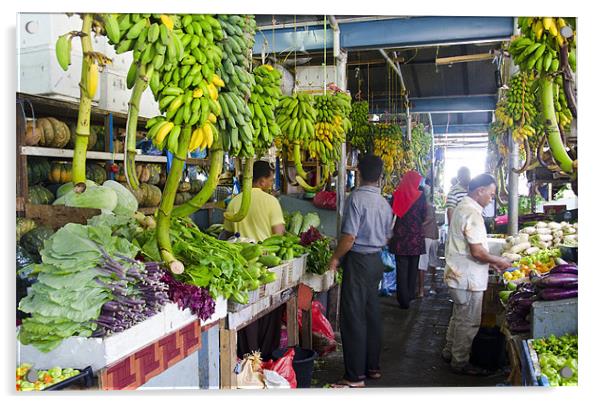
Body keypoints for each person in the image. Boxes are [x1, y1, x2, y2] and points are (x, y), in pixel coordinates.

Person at [328, 155, 394, 388]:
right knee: (371, 313)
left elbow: (349, 237)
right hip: (375, 260)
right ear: (380, 175)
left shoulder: (356, 198)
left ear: (358, 172)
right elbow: (388, 236)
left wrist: (335, 258)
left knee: (354, 316)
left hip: (358, 260)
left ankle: (354, 376)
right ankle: (372, 367)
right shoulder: (385, 203)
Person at [442, 173, 512, 376]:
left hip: (459, 274)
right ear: (480, 191)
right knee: (468, 321)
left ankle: (450, 351)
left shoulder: (463, 208)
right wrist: (500, 261)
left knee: (458, 316)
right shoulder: (471, 213)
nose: (491, 198)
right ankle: (460, 362)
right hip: (468, 278)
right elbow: (477, 252)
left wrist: (493, 263)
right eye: (490, 194)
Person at [220, 161, 286, 359]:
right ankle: (264, 357)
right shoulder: (271, 202)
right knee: (268, 310)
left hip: (241, 266)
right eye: (270, 179)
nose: (271, 183)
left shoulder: (234, 201)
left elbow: (227, 234)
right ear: (262, 180)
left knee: (244, 313)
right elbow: (279, 235)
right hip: (266, 265)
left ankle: (247, 358)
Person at [388, 170, 427, 308]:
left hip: (400, 238)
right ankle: (410, 295)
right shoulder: (421, 197)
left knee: (401, 269)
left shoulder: (397, 195)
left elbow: (391, 213)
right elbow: (424, 215)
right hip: (415, 238)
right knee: (413, 269)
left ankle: (403, 299)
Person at [418, 186, 440, 297]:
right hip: (434, 236)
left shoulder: (424, 205)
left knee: (422, 263)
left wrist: (417, 227)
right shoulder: (429, 205)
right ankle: (433, 286)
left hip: (426, 236)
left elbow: (428, 219)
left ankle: (421, 290)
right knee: (432, 262)